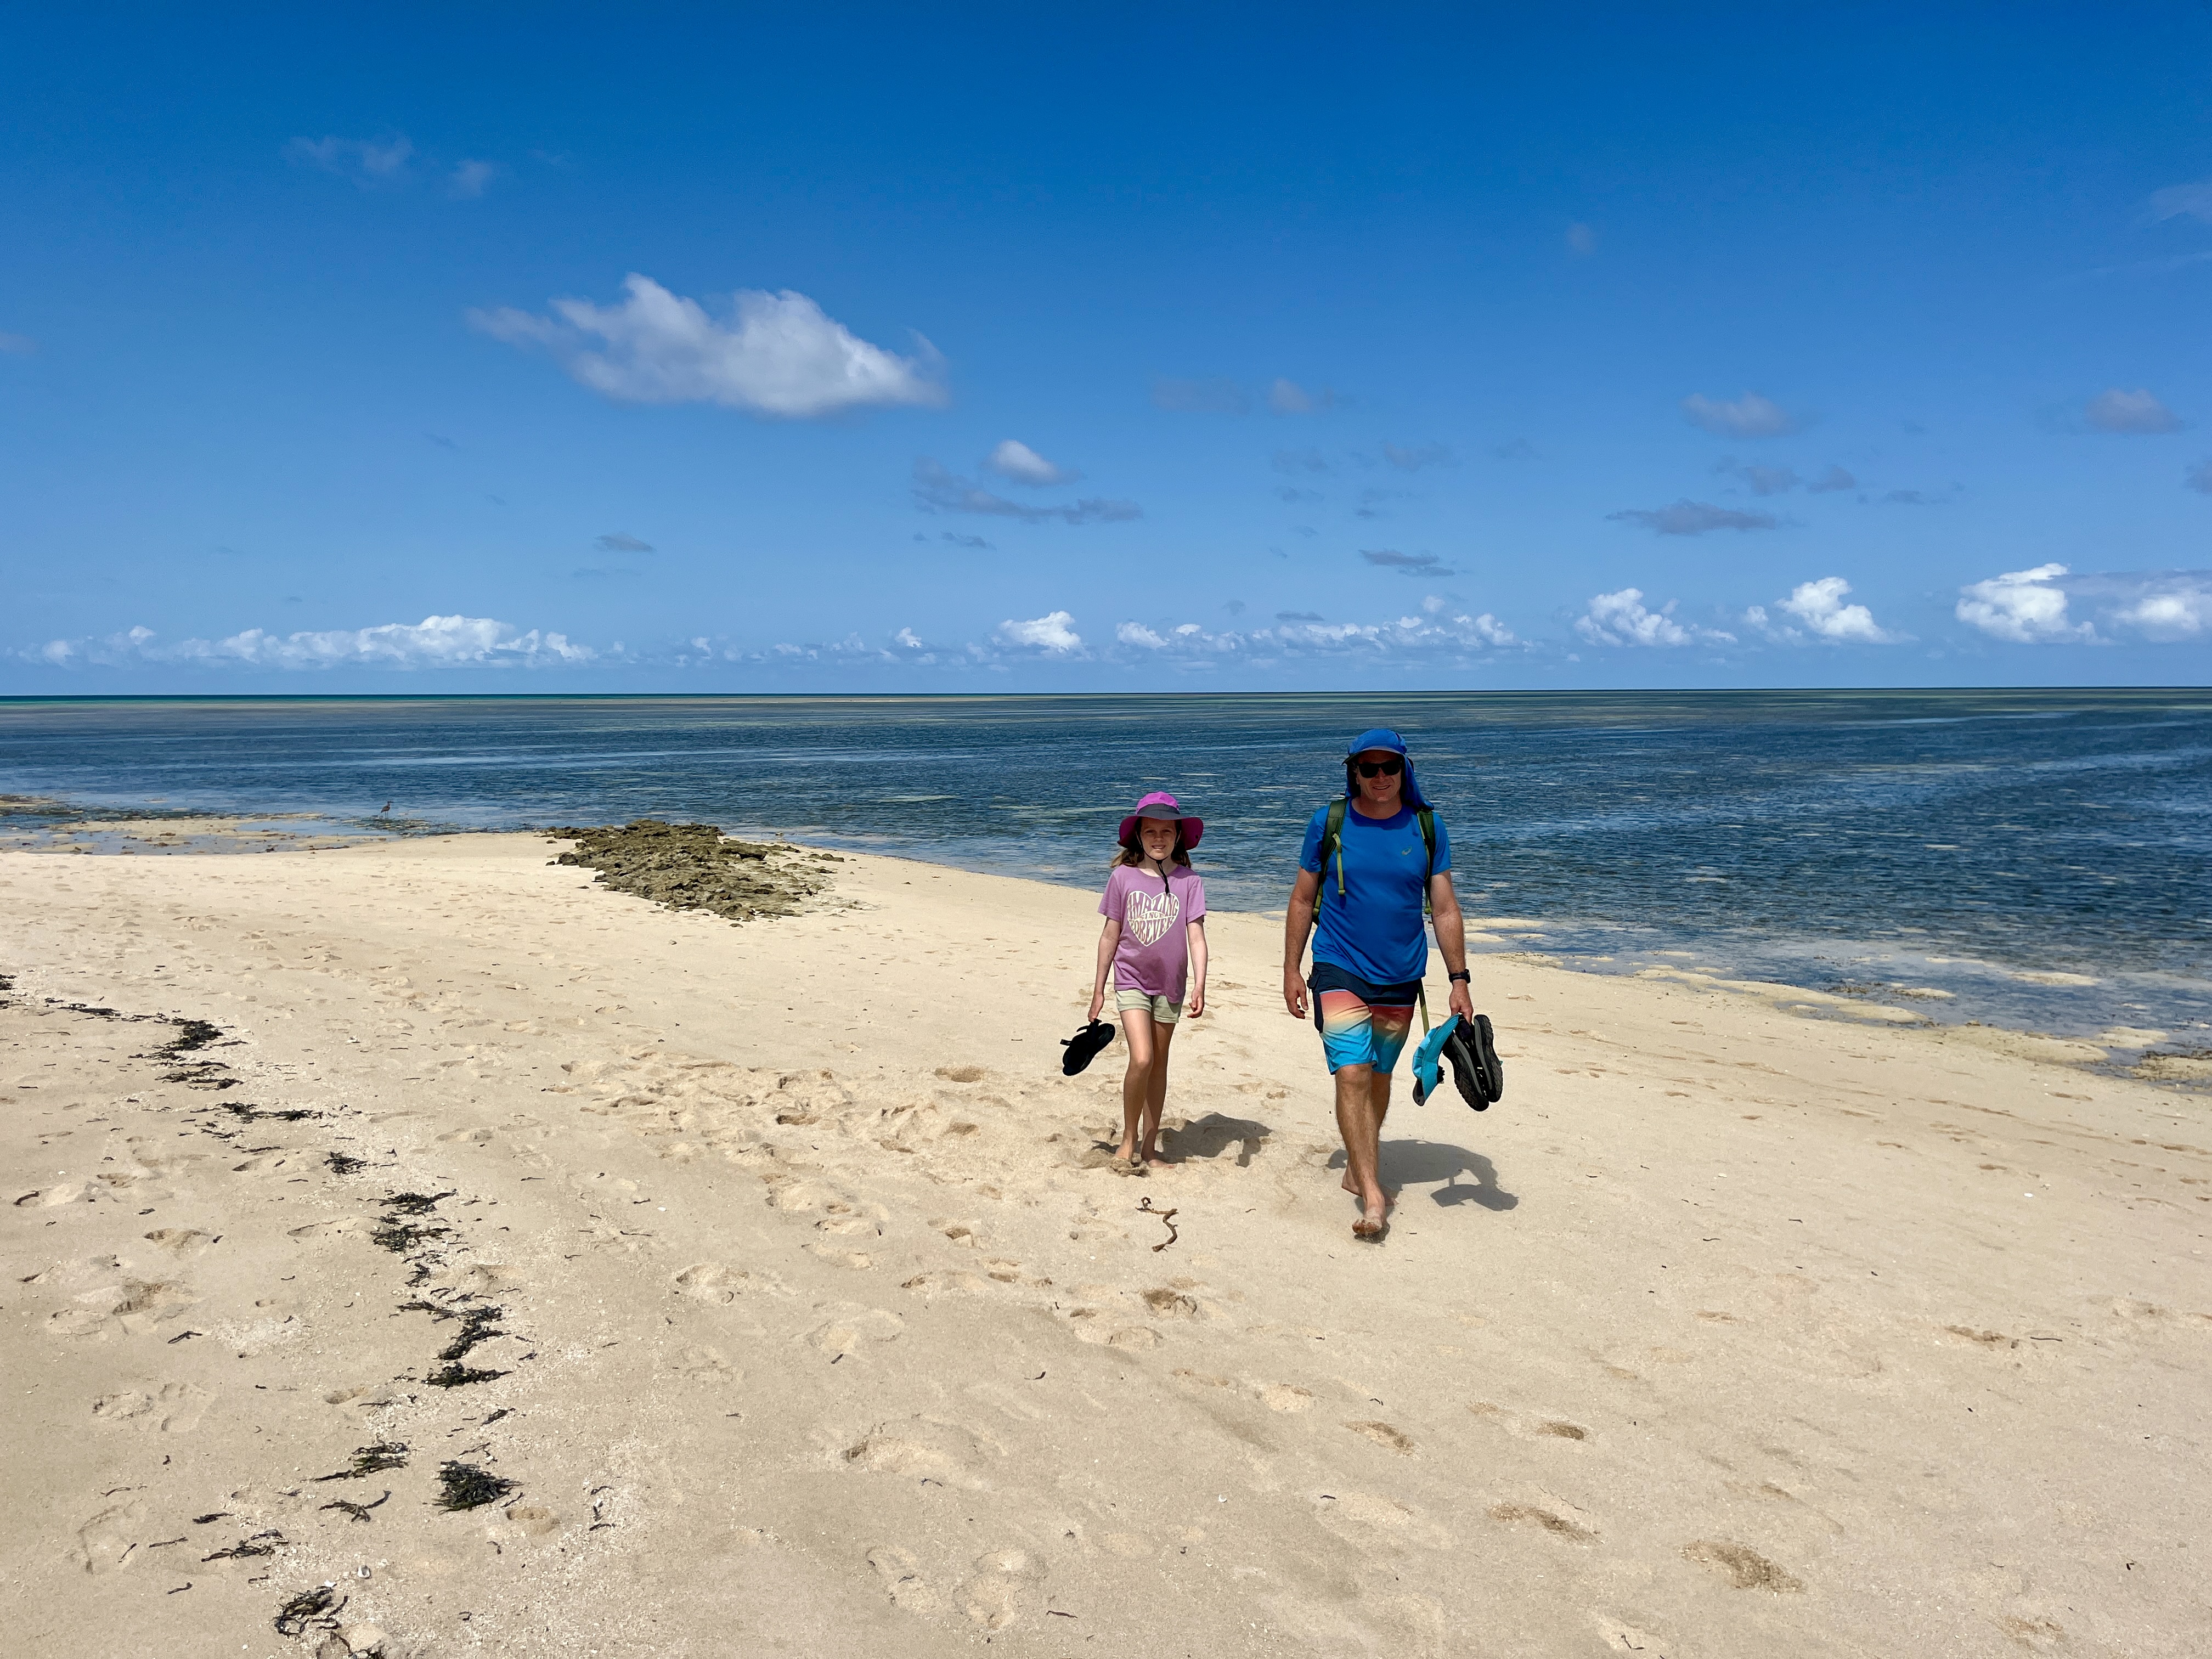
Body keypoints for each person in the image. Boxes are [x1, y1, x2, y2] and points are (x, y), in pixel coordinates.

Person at [1282, 730, 1474, 1238]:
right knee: (1352, 1073)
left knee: (1380, 1076)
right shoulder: (1329, 823)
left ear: (1405, 770)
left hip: (1402, 974)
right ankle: (1372, 1195)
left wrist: (1459, 980)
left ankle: (1357, 1164)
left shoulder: (1428, 827)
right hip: (1338, 965)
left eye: (1390, 767)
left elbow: (1446, 908)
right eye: (1370, 769)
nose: (1381, 777)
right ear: (1354, 773)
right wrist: (1290, 969)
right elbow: (1303, 899)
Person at [1089, 792, 1209, 1172]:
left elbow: (1197, 937)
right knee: (1141, 1058)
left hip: (1171, 986)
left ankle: (1150, 1147)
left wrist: (1200, 984)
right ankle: (1128, 1140)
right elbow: (1110, 936)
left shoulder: (1189, 882)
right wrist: (1097, 991)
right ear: (1138, 836)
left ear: (1178, 836)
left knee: (1159, 1065)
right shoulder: (1122, 878)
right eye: (1151, 831)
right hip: (1131, 981)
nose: (1159, 838)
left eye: (1166, 831)